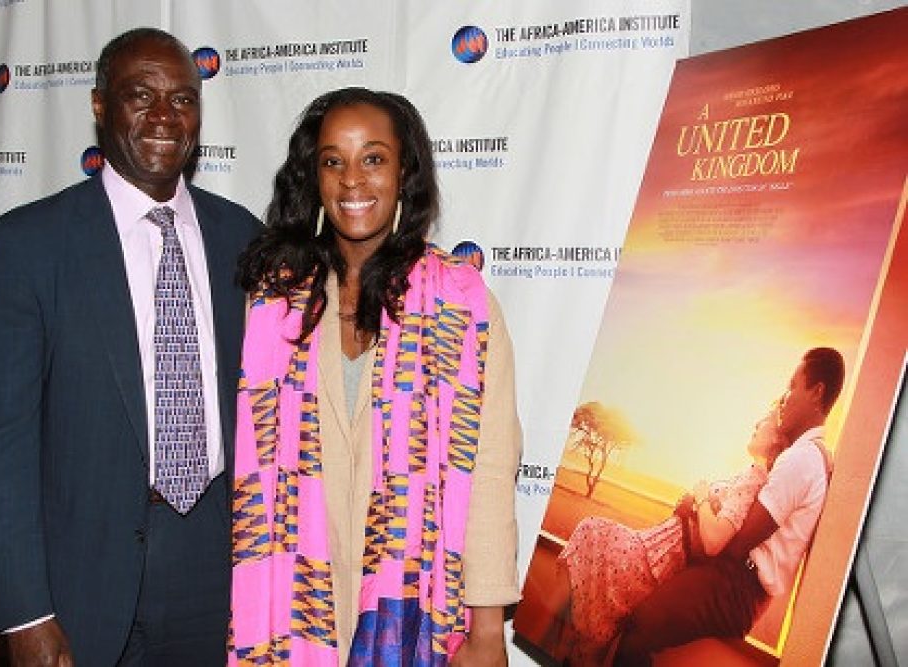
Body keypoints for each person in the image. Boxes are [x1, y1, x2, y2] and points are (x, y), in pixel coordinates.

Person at [0, 28, 262, 666]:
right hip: (81, 579)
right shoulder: (29, 245)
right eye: (139, 96)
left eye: (182, 99)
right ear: (100, 106)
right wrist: (23, 613)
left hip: (221, 569)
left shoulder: (243, 238)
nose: (163, 117)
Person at [228, 87, 522, 666]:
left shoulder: (462, 303)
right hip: (294, 595)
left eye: (373, 158)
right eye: (333, 161)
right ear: (313, 177)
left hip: (410, 603)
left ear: (404, 170)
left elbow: (487, 468)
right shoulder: (274, 300)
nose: (352, 181)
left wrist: (487, 630)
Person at [612, 347, 844, 666]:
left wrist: (700, 507)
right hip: (739, 586)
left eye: (792, 385)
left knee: (641, 622)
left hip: (735, 586)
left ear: (817, 393)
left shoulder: (801, 460)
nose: (785, 396)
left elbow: (736, 546)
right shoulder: (814, 456)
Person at [558, 405, 788, 666]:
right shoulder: (749, 475)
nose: (756, 423)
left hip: (656, 559)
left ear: (777, 438)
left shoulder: (752, 479)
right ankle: (578, 648)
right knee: (591, 541)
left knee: (591, 532)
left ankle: (571, 647)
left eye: (765, 420)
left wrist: (700, 497)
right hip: (653, 547)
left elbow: (714, 541)